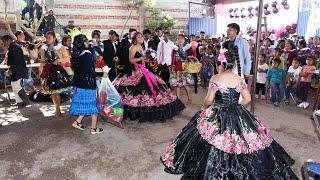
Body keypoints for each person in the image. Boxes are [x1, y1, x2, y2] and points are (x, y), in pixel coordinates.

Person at [160, 44, 298, 180]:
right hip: (237, 111)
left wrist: (206, 107)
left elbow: (208, 99)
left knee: (207, 135)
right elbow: (247, 99)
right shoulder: (238, 78)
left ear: (221, 63)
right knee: (246, 142)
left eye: (217, 63)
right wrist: (237, 108)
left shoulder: (216, 78)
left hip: (218, 111)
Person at [113, 32, 185, 122]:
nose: (141, 38)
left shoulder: (140, 46)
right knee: (138, 90)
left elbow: (142, 59)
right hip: (136, 70)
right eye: (139, 37)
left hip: (144, 69)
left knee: (156, 85)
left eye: (141, 36)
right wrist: (142, 58)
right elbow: (131, 60)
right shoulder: (133, 47)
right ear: (135, 39)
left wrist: (147, 59)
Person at [69, 34, 103, 134]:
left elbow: (83, 70)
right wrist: (102, 73)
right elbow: (90, 73)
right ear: (82, 43)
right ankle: (93, 128)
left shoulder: (77, 54)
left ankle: (77, 122)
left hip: (80, 84)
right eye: (86, 41)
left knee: (87, 104)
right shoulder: (87, 55)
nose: (88, 42)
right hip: (88, 84)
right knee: (94, 106)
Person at [40, 31, 72, 117]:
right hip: (48, 71)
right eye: (47, 38)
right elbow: (42, 60)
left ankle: (58, 110)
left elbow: (67, 58)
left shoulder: (60, 47)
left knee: (56, 91)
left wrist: (58, 60)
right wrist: (41, 70)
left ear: (54, 38)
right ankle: (57, 109)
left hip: (59, 71)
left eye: (49, 37)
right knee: (52, 92)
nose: (47, 39)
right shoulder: (43, 48)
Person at [6, 31, 30, 108]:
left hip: (18, 69)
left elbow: (16, 61)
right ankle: (19, 103)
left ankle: (25, 101)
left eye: (4, 42)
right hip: (17, 69)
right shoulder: (14, 46)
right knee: (14, 86)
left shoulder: (15, 46)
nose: (3, 44)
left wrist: (11, 68)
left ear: (8, 41)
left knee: (16, 86)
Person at [170, 34, 194, 104]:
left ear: (184, 40)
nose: (180, 40)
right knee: (177, 85)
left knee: (185, 84)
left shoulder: (188, 47)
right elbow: (173, 58)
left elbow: (193, 57)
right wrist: (172, 67)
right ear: (176, 40)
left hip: (185, 68)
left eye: (181, 38)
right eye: (178, 38)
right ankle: (178, 100)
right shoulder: (174, 48)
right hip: (176, 67)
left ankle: (189, 98)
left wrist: (188, 60)